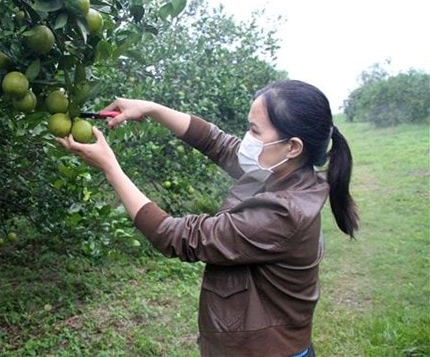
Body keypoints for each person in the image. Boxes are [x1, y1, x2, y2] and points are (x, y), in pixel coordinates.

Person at [57, 80, 359, 357]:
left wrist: (111, 167)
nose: (246, 139)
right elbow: (217, 142)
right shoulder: (280, 171)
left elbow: (178, 237)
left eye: (255, 131)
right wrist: (152, 109)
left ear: (293, 146)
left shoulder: (283, 212)